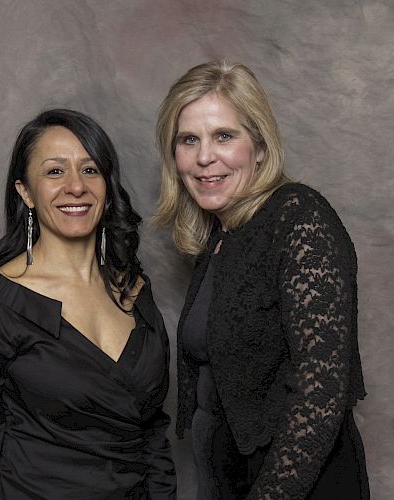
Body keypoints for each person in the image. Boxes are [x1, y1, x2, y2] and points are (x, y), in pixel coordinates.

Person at [154, 61, 369, 499]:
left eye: (224, 136)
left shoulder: (298, 217)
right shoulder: (222, 237)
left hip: (295, 485)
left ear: (260, 147)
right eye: (188, 140)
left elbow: (321, 391)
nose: (204, 157)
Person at [0, 109, 176, 499]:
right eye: (55, 172)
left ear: (106, 184)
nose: (76, 187)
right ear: (25, 192)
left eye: (90, 170)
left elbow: (153, 434)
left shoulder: (136, 291)